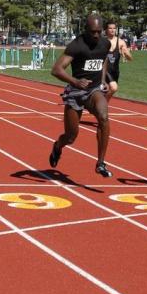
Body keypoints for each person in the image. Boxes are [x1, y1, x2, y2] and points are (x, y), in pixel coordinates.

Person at [49, 14, 113, 177]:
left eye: (99, 32)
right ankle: (58, 146)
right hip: (76, 92)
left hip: (94, 90)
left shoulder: (105, 44)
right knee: (71, 136)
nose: (96, 35)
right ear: (85, 30)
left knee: (104, 117)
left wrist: (103, 78)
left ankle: (100, 163)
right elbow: (56, 69)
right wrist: (75, 81)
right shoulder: (76, 45)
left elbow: (103, 59)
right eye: (93, 32)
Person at [104, 20, 133, 101]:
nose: (113, 30)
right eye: (110, 28)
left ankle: (102, 103)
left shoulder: (121, 42)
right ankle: (103, 104)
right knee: (114, 88)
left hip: (115, 71)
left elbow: (130, 59)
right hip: (104, 70)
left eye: (114, 28)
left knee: (108, 90)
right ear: (106, 30)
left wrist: (127, 54)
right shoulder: (102, 41)